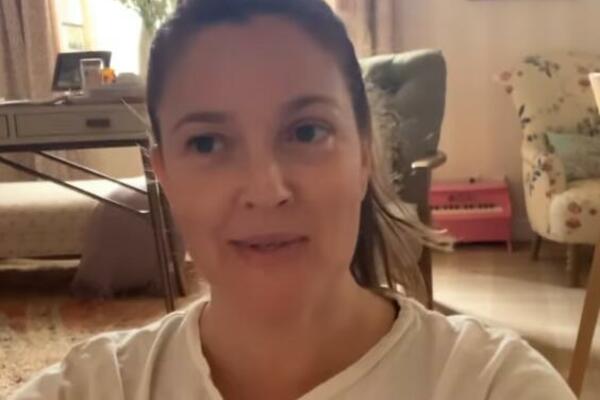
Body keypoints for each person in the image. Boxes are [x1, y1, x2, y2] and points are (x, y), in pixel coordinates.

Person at [10, 0, 576, 399]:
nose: (266, 190)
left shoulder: (489, 383)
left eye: (306, 132)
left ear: (365, 154)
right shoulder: (97, 387)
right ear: (165, 177)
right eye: (207, 143)